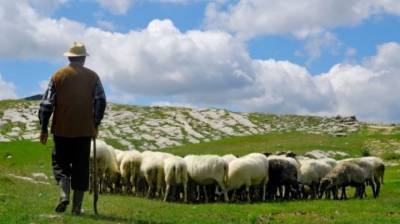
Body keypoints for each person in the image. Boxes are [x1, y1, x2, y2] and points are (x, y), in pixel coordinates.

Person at [38, 42, 106, 215]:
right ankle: (76, 208)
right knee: (81, 167)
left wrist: (44, 128)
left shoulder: (58, 76)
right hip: (84, 130)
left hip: (61, 130)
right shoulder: (93, 77)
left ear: (69, 57)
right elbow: (101, 101)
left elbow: (47, 104)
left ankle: (63, 194)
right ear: (83, 58)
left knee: (60, 164)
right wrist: (95, 123)